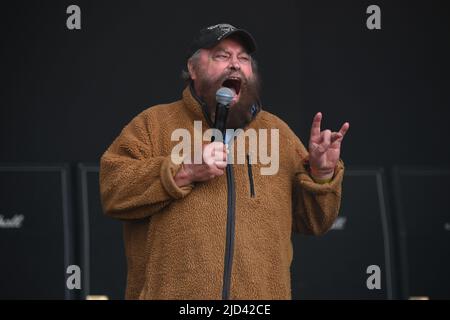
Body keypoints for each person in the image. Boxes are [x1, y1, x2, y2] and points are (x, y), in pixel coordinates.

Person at [99, 23, 350, 300]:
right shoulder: (153, 124)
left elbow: (315, 222)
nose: (235, 65)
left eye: (243, 58)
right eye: (221, 55)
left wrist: (321, 173)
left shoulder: (278, 134)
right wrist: (183, 171)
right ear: (192, 70)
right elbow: (113, 191)